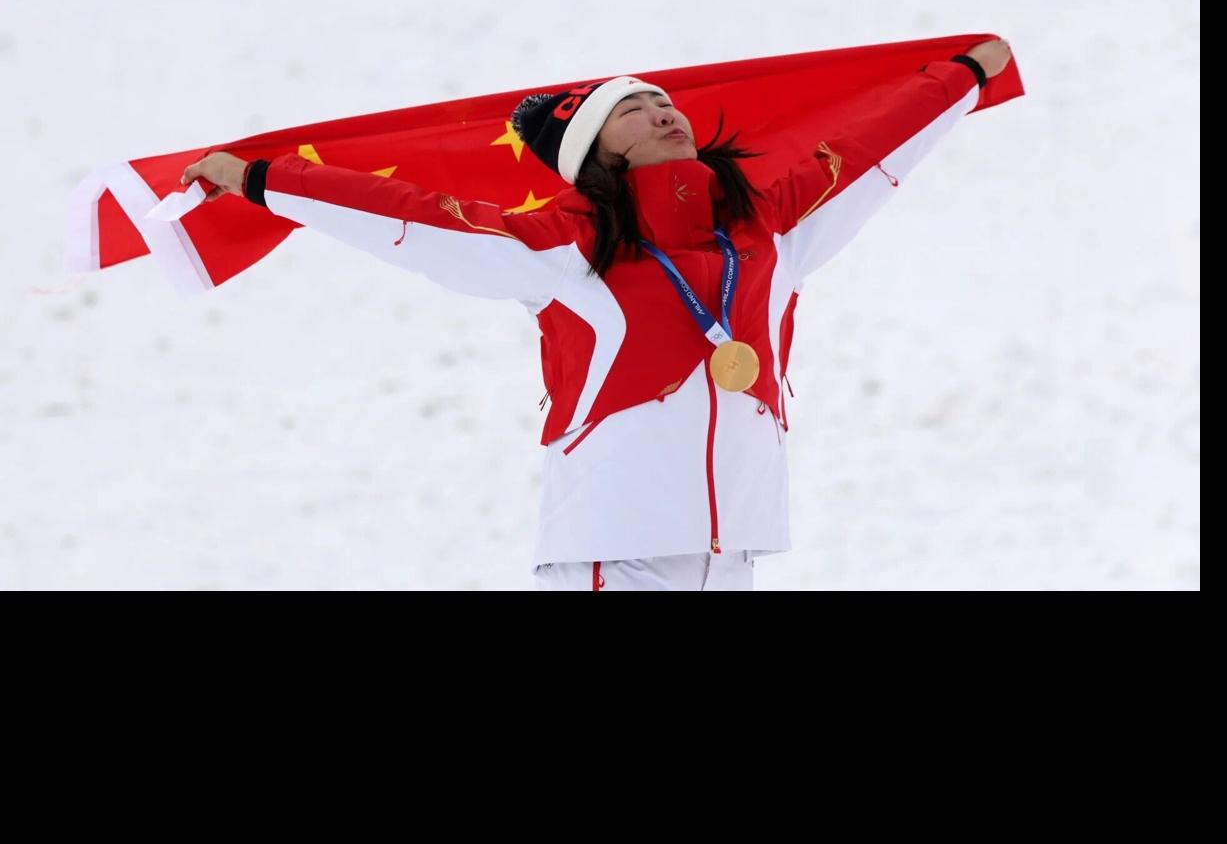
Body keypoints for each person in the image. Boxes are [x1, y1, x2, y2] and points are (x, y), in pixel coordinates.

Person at [181, 39, 1012, 590]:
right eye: (633, 107)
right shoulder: (563, 249)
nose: (663, 109)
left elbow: (874, 145)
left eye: (664, 99)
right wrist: (265, 179)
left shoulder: (770, 232)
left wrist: (966, 77)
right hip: (610, 553)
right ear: (597, 150)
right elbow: (414, 217)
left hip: (735, 557)